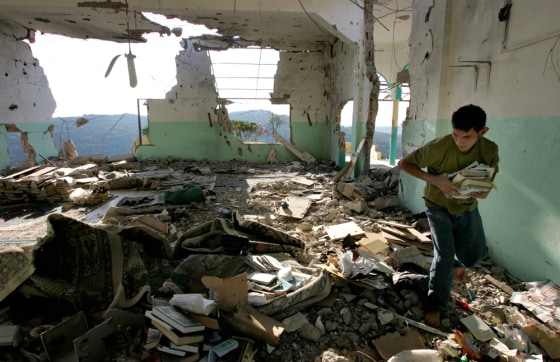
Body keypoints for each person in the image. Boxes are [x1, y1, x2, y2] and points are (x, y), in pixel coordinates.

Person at [397, 104, 499, 327]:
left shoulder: (489, 150)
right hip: (437, 205)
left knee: (475, 254)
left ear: (482, 132)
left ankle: (456, 265)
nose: (459, 142)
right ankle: (435, 304)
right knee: (443, 256)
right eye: (455, 135)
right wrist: (436, 180)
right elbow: (404, 164)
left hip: (467, 206)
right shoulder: (439, 147)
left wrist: (484, 191)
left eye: (466, 137)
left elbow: (488, 180)